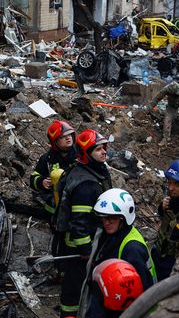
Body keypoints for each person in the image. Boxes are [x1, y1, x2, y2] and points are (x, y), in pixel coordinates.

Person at [52, 129, 112, 318]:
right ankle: (69, 313)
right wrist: (85, 250)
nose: (104, 152)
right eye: (98, 149)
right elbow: (79, 223)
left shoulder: (88, 169)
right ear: (86, 155)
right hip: (78, 246)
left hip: (83, 241)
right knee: (75, 284)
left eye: (104, 148)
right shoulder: (86, 184)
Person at [84, 188, 157, 318]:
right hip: (106, 296)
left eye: (111, 218)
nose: (106, 222)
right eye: (103, 217)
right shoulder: (111, 233)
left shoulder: (132, 249)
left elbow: (138, 294)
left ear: (124, 218)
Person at [30, 120, 77, 215]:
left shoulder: (81, 156)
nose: (68, 138)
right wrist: (42, 182)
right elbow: (33, 178)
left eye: (69, 134)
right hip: (55, 207)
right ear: (55, 141)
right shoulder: (47, 159)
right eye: (63, 137)